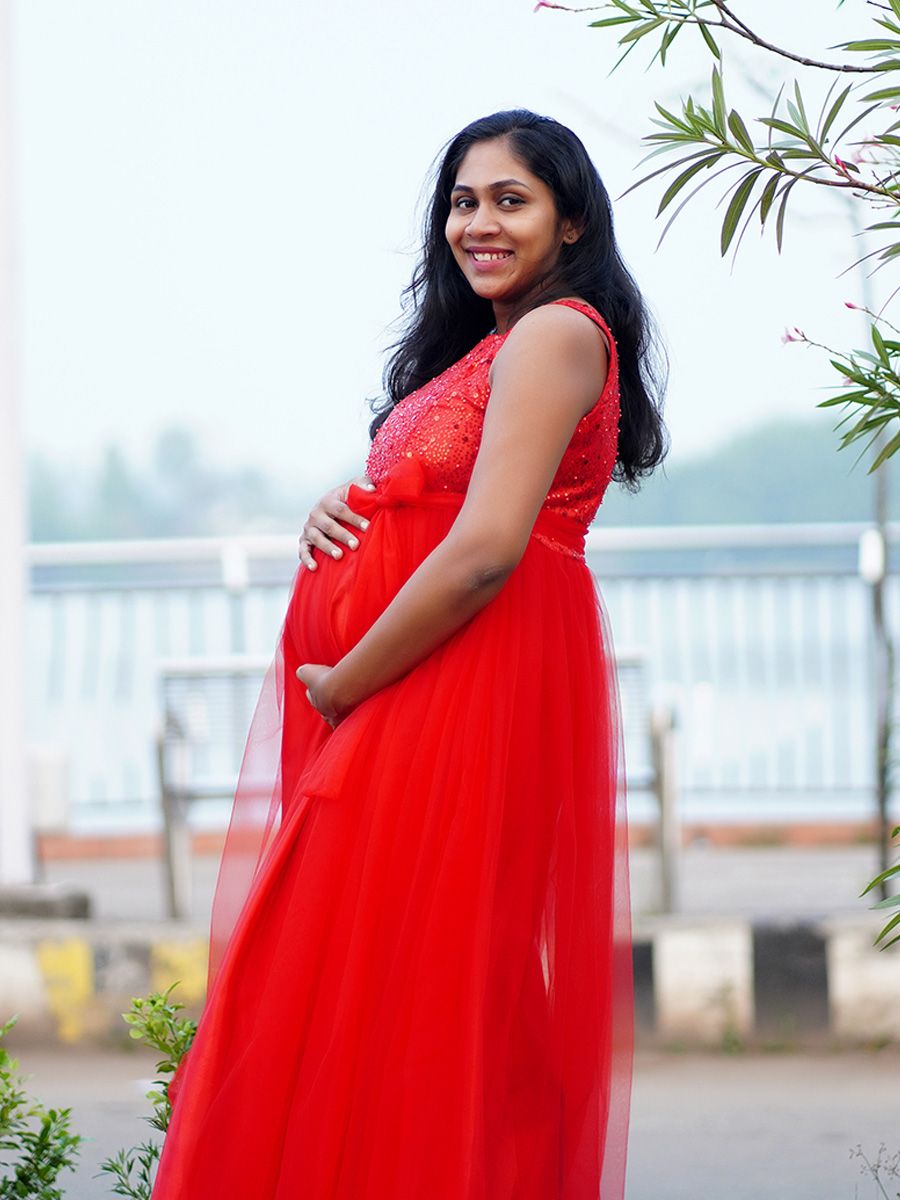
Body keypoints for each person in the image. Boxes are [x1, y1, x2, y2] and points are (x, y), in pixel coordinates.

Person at [151, 108, 667, 1199]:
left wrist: (345, 680)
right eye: (463, 200)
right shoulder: (490, 345)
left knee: (393, 986)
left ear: (572, 220)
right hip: (423, 686)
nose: (477, 222)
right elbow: (434, 503)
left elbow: (486, 550)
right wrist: (343, 516)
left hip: (455, 688)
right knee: (362, 985)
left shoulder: (559, 333)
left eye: (510, 200)